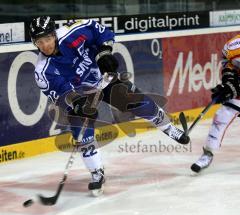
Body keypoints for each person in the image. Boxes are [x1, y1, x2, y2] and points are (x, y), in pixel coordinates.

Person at [29, 16, 190, 195]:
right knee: (80, 128)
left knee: (140, 103)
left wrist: (104, 52)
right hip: (80, 94)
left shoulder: (73, 32)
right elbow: (62, 94)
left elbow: (100, 31)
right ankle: (96, 172)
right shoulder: (42, 71)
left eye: (48, 39)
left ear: (54, 35)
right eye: (39, 42)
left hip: (103, 79)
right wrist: (78, 103)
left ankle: (169, 128)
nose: (45, 45)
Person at [191, 34, 240, 173]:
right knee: (221, 116)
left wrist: (235, 88)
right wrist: (229, 84)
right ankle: (207, 153)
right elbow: (229, 66)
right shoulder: (233, 45)